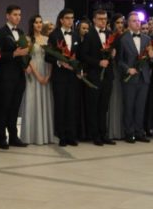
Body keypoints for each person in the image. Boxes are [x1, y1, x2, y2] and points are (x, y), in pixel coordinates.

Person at [0, 5, 30, 148]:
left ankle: (14, 137)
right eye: (15, 14)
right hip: (5, 76)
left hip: (19, 75)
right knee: (4, 107)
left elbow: (24, 53)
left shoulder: (21, 32)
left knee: (15, 107)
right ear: (7, 16)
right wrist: (14, 54)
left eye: (19, 15)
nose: (18, 17)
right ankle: (1, 137)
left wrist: (26, 57)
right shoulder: (0, 32)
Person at [78, 9, 115, 146]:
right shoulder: (88, 35)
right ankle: (95, 135)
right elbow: (83, 55)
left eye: (105, 19)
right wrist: (98, 62)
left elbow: (112, 53)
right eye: (100, 19)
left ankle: (103, 134)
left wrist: (113, 54)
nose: (103, 21)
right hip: (93, 76)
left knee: (104, 107)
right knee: (93, 106)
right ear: (94, 20)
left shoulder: (110, 34)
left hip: (107, 76)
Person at [46, 8, 79, 146]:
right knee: (60, 106)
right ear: (61, 20)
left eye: (72, 18)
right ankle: (61, 135)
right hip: (59, 77)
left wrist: (77, 67)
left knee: (71, 106)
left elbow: (79, 54)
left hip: (73, 76)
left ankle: (71, 135)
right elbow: (48, 56)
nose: (70, 21)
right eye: (67, 18)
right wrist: (60, 62)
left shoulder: (76, 35)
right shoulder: (54, 35)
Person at [117, 13, 152, 143]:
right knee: (129, 106)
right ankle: (129, 132)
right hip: (130, 77)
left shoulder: (147, 39)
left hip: (144, 77)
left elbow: (149, 59)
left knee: (140, 106)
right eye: (134, 21)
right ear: (128, 23)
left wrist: (152, 56)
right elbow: (119, 60)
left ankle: (139, 131)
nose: (137, 23)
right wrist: (127, 69)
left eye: (138, 21)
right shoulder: (122, 39)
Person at [20, 14, 54, 145]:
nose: (39, 24)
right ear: (32, 24)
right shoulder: (27, 39)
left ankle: (45, 135)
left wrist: (48, 75)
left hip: (46, 71)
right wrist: (38, 75)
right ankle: (31, 136)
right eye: (36, 22)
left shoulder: (47, 39)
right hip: (33, 73)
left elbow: (51, 58)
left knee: (45, 101)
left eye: (40, 22)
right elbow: (27, 59)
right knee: (32, 101)